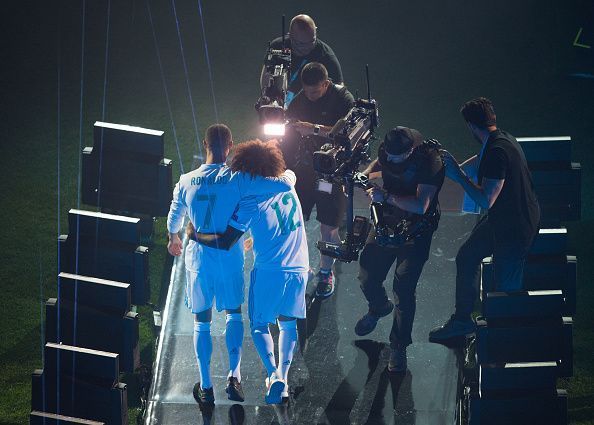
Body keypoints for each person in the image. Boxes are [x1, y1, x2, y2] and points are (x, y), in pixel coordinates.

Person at [166, 124, 296, 406]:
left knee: (202, 321)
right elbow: (284, 184)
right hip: (230, 260)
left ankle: (206, 386)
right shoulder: (239, 178)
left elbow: (174, 219)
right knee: (233, 315)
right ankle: (234, 376)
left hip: (198, 262)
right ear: (230, 146)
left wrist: (174, 238)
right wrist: (287, 171)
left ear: (204, 144)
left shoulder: (187, 180)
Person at [191, 139, 309, 405]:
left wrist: (195, 235)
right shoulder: (287, 187)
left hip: (270, 271)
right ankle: (285, 380)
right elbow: (279, 223)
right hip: (300, 267)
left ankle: (273, 372)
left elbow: (225, 241)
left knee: (259, 326)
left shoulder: (250, 202)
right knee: (288, 324)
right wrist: (256, 238)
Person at [429, 97, 540, 342]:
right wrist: (455, 167)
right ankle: (462, 322)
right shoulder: (499, 139)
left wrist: (457, 176)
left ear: (470, 125)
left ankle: (505, 343)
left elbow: (485, 200)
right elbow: (481, 160)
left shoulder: (498, 152)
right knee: (467, 256)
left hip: (516, 229)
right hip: (503, 220)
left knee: (505, 289)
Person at [355, 127, 445, 372]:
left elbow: (421, 205)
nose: (392, 160)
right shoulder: (387, 151)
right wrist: (363, 176)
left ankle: (398, 345)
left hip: (417, 229)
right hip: (388, 219)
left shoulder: (430, 162)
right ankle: (379, 307)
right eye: (389, 156)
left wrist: (385, 196)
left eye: (398, 157)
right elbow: (380, 163)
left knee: (403, 288)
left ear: (411, 150)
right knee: (367, 275)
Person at [283, 61, 355, 298]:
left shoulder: (344, 100)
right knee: (294, 223)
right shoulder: (300, 101)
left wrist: (314, 129)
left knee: (329, 227)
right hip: (303, 171)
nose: (310, 96)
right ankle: (299, 266)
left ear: (326, 83)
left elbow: (350, 133)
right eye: (306, 91)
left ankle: (326, 272)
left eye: (315, 91)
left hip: (331, 175)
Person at [261, 14, 343, 106]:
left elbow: (339, 87)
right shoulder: (277, 46)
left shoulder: (326, 55)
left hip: (310, 108)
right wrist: (267, 96)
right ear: (290, 35)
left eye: (312, 41)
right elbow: (266, 75)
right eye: (301, 44)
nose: (307, 47)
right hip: (278, 104)